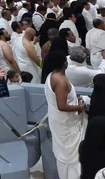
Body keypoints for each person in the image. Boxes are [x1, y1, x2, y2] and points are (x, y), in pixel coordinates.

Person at [45, 50, 87, 179]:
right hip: (66, 123)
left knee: (65, 152)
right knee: (72, 156)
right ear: (65, 63)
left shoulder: (51, 75)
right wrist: (80, 106)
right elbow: (62, 105)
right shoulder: (61, 81)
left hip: (58, 121)